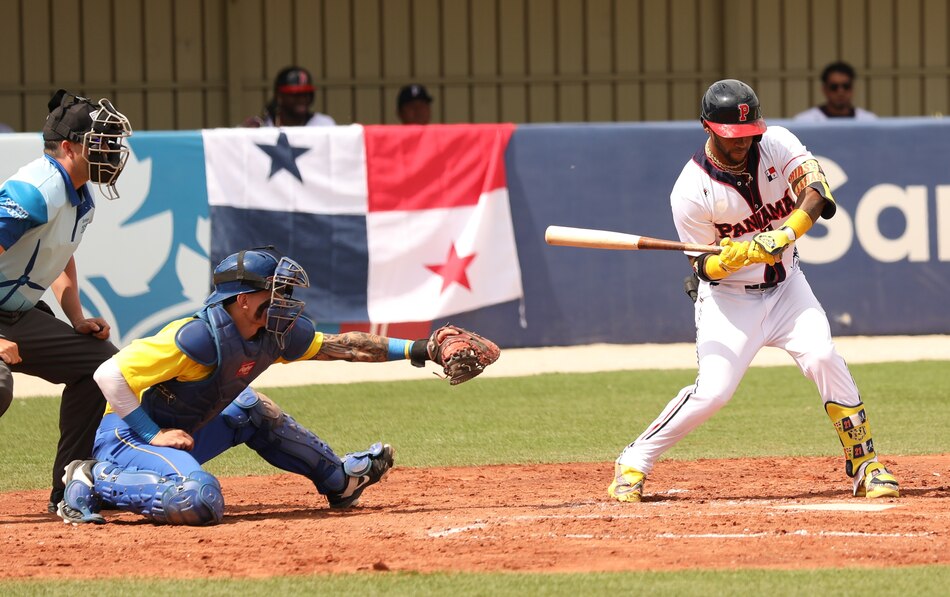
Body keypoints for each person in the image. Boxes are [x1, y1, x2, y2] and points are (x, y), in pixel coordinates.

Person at [608, 79, 899, 504]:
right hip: (729, 300)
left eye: (748, 134)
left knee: (822, 356)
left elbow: (816, 193)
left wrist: (784, 234)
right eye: (732, 136)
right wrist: (733, 258)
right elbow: (703, 267)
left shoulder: (777, 142)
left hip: (788, 288)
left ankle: (865, 464)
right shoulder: (690, 191)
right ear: (709, 128)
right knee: (714, 392)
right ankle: (634, 461)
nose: (743, 143)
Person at [56, 248, 499, 525]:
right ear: (242, 299)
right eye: (275, 291)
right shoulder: (196, 337)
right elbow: (107, 375)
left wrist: (422, 347)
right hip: (128, 440)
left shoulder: (274, 333)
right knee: (199, 499)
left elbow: (345, 347)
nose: (285, 301)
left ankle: (339, 480)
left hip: (184, 436)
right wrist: (152, 433)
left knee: (249, 407)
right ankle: (93, 477)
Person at [0, 89, 132, 513]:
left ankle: (70, 487)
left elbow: (60, 253)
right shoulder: (35, 190)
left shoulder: (78, 193)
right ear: (71, 147)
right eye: (102, 142)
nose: (112, 151)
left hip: (19, 314)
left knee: (98, 366)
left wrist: (74, 316)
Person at [242, 66, 336, 128]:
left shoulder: (323, 124)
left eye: (306, 94)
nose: (302, 99)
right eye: (295, 94)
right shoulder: (264, 125)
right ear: (279, 96)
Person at [793, 61, 877, 121]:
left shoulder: (868, 121)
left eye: (846, 86)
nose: (840, 92)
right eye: (834, 87)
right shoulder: (806, 121)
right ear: (824, 89)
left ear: (852, 88)